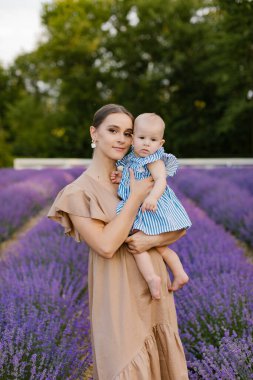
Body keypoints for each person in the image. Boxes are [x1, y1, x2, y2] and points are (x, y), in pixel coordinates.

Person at [47, 104, 189, 380]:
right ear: (94, 133)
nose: (122, 139)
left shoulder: (134, 176)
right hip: (117, 295)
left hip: (154, 289)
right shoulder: (77, 193)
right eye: (113, 131)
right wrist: (135, 199)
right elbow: (106, 246)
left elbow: (177, 228)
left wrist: (149, 242)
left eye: (128, 132)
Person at [110, 113, 192, 300]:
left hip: (151, 207)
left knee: (136, 242)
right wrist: (120, 177)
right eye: (141, 138)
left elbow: (161, 180)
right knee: (159, 247)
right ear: (132, 139)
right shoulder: (130, 159)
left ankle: (152, 278)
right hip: (140, 206)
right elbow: (131, 178)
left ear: (161, 144)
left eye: (153, 139)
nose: (147, 143)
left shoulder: (154, 160)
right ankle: (179, 273)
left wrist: (153, 197)